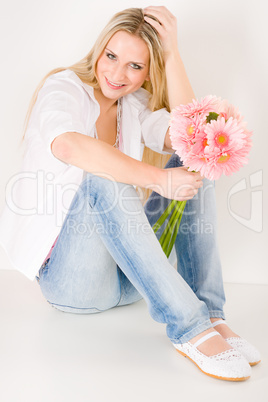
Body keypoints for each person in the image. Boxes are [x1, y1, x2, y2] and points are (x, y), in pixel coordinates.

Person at [0, 6, 260, 381]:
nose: (118, 74)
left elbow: (194, 141)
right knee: (100, 176)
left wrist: (172, 52)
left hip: (131, 280)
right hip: (73, 285)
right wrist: (157, 180)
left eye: (135, 67)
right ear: (99, 49)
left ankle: (211, 314)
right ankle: (189, 327)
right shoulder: (64, 87)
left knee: (196, 164)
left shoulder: (134, 106)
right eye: (111, 56)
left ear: (147, 71)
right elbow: (70, 147)